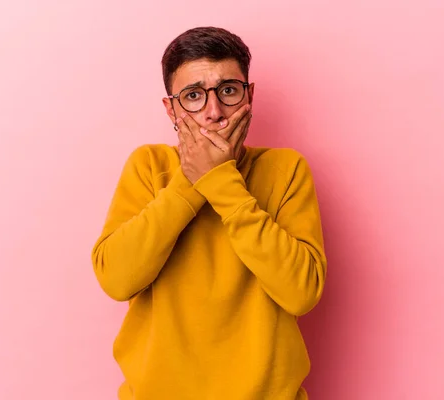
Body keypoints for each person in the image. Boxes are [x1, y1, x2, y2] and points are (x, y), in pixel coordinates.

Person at [91, 26, 327, 400]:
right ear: (171, 108)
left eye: (228, 91)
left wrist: (220, 181)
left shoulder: (286, 170)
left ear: (249, 96)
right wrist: (190, 180)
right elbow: (117, 280)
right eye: (194, 96)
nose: (214, 112)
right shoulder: (148, 166)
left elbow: (301, 292)